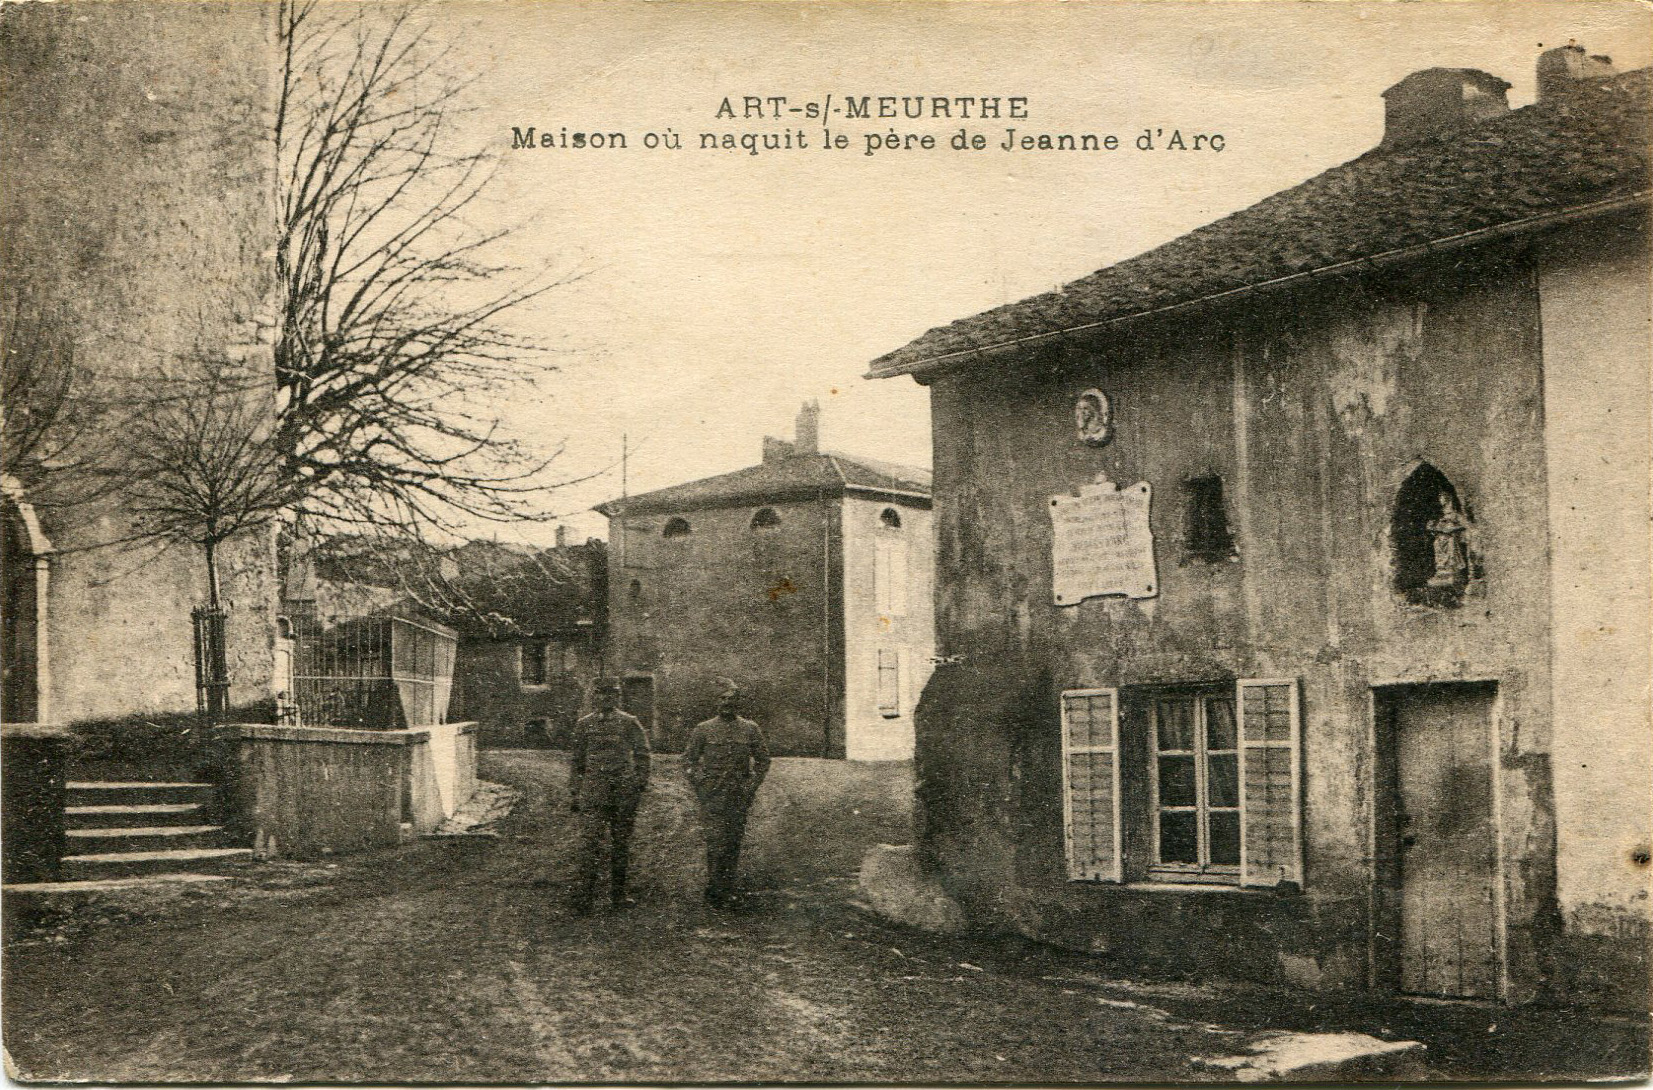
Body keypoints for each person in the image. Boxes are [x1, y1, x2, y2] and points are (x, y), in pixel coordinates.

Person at [567, 677, 650, 913]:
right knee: (590, 844)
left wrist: (638, 784)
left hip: (622, 793)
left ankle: (618, 896)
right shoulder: (584, 724)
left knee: (620, 844)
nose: (607, 698)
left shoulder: (629, 722)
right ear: (595, 697)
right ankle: (585, 898)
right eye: (602, 694)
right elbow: (577, 761)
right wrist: (575, 792)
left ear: (618, 697)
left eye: (612, 694)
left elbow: (643, 754)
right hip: (594, 792)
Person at [683, 684, 771, 907]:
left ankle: (727, 888)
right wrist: (701, 784)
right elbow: (688, 761)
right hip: (713, 795)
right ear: (716, 702)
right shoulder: (703, 729)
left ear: (737, 703)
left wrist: (750, 787)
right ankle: (714, 889)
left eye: (731, 699)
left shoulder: (750, 729)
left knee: (732, 841)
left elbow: (763, 761)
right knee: (715, 841)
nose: (727, 703)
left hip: (738, 795)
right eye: (722, 699)